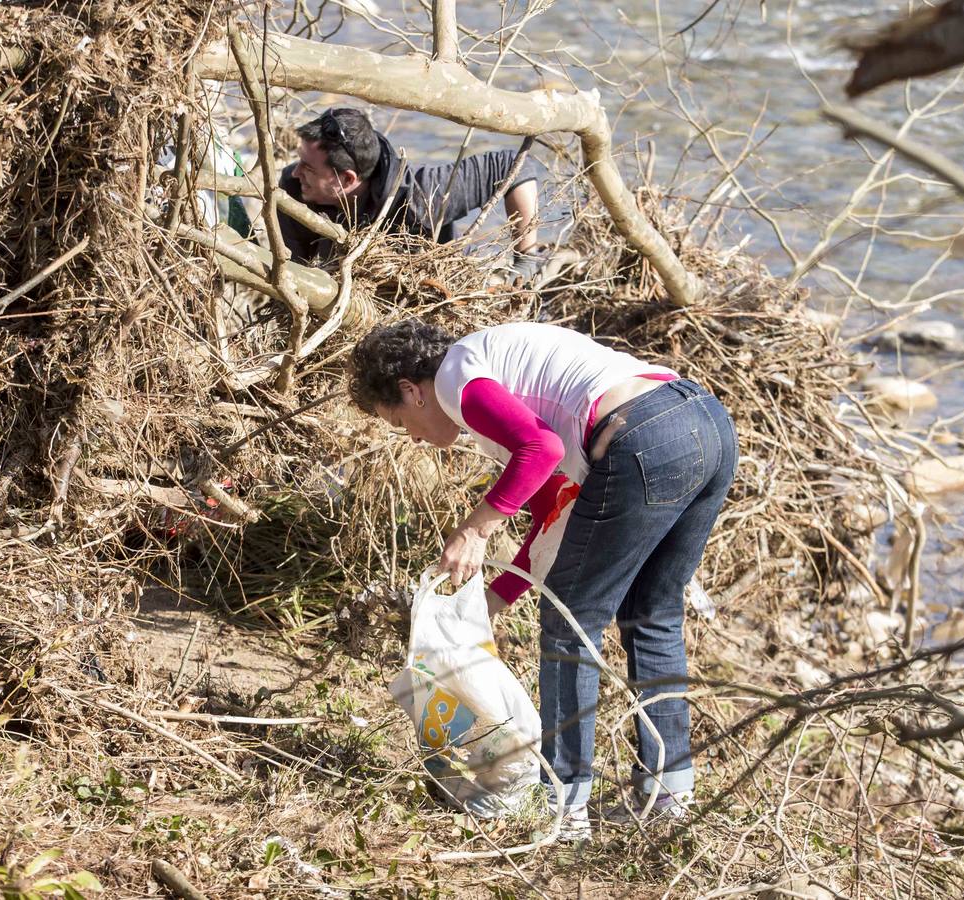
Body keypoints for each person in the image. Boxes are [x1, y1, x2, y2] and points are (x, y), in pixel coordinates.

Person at [348, 319, 738, 835]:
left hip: (639, 430)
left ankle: (564, 805)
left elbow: (541, 450)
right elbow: (552, 517)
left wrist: (475, 529)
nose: (413, 437)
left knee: (569, 621)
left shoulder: (454, 376)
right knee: (651, 614)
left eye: (399, 423)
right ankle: (669, 800)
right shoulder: (495, 380)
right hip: (705, 422)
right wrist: (492, 601)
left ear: (410, 392)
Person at [278, 108, 547, 280]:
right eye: (300, 161)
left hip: (433, 290)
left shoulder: (421, 194)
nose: (295, 173)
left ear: (347, 179)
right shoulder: (293, 190)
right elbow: (296, 272)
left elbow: (514, 166)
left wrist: (526, 262)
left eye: (308, 168)